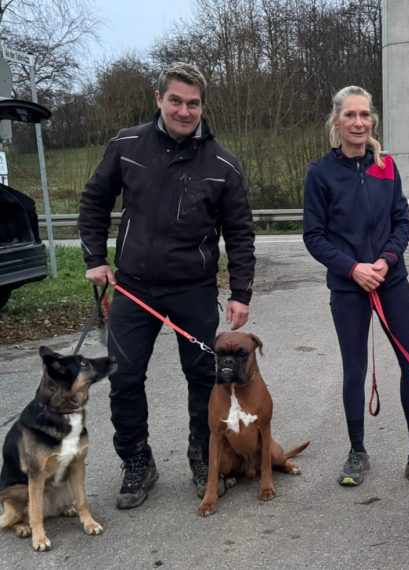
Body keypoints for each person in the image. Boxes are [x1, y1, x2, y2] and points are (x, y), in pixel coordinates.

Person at [78, 62, 256, 509]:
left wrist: (240, 292)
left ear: (203, 106)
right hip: (134, 289)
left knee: (204, 377)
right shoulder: (126, 145)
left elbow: (240, 232)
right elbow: (94, 200)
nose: (183, 110)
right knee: (124, 377)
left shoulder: (223, 164)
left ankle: (202, 455)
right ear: (158, 99)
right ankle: (137, 460)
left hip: (193, 290)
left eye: (192, 103)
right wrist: (95, 260)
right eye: (175, 100)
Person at [303, 85, 409, 487]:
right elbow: (315, 235)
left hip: (392, 281)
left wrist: (385, 261)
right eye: (350, 115)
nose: (359, 122)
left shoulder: (386, 167)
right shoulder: (320, 173)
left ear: (372, 119)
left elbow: (402, 222)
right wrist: (353, 268)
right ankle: (357, 451)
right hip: (348, 287)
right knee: (354, 370)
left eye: (365, 115)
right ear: (336, 121)